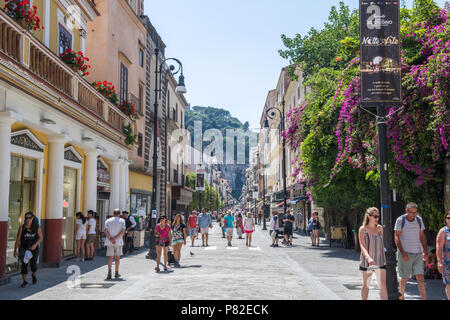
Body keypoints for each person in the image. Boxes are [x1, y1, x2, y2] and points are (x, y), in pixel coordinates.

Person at [394, 202, 428, 300]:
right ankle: (401, 296)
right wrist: (403, 253)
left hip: (417, 253)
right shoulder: (400, 220)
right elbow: (397, 237)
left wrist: (425, 251)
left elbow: (422, 236)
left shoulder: (419, 220)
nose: (414, 215)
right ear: (406, 211)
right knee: (405, 278)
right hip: (405, 252)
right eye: (412, 213)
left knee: (420, 277)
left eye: (415, 212)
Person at [358, 207, 388, 300]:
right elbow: (362, 245)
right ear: (369, 216)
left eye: (378, 216)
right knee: (366, 285)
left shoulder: (380, 228)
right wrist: (368, 258)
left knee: (383, 285)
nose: (377, 218)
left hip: (380, 260)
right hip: (368, 261)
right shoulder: (363, 229)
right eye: (374, 216)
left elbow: (382, 243)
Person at [13, 212, 43, 288]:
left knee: (33, 265)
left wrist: (35, 244)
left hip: (34, 248)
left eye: (29, 218)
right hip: (24, 248)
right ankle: (25, 281)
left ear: (33, 218)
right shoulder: (22, 228)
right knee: (24, 265)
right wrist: (15, 250)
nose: (28, 219)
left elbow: (41, 237)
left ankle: (33, 274)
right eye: (26, 218)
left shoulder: (36, 227)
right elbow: (18, 239)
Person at [104, 209, 126, 280]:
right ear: (119, 214)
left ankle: (109, 272)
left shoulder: (108, 221)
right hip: (118, 241)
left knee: (110, 257)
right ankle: (116, 272)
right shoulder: (122, 221)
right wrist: (115, 238)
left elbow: (106, 231)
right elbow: (123, 231)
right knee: (117, 257)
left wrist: (111, 238)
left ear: (113, 214)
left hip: (109, 242)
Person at [436, 211, 450, 299]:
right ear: (445, 220)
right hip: (448, 263)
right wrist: (439, 262)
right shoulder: (443, 231)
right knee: (449, 284)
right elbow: (439, 248)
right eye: (449, 218)